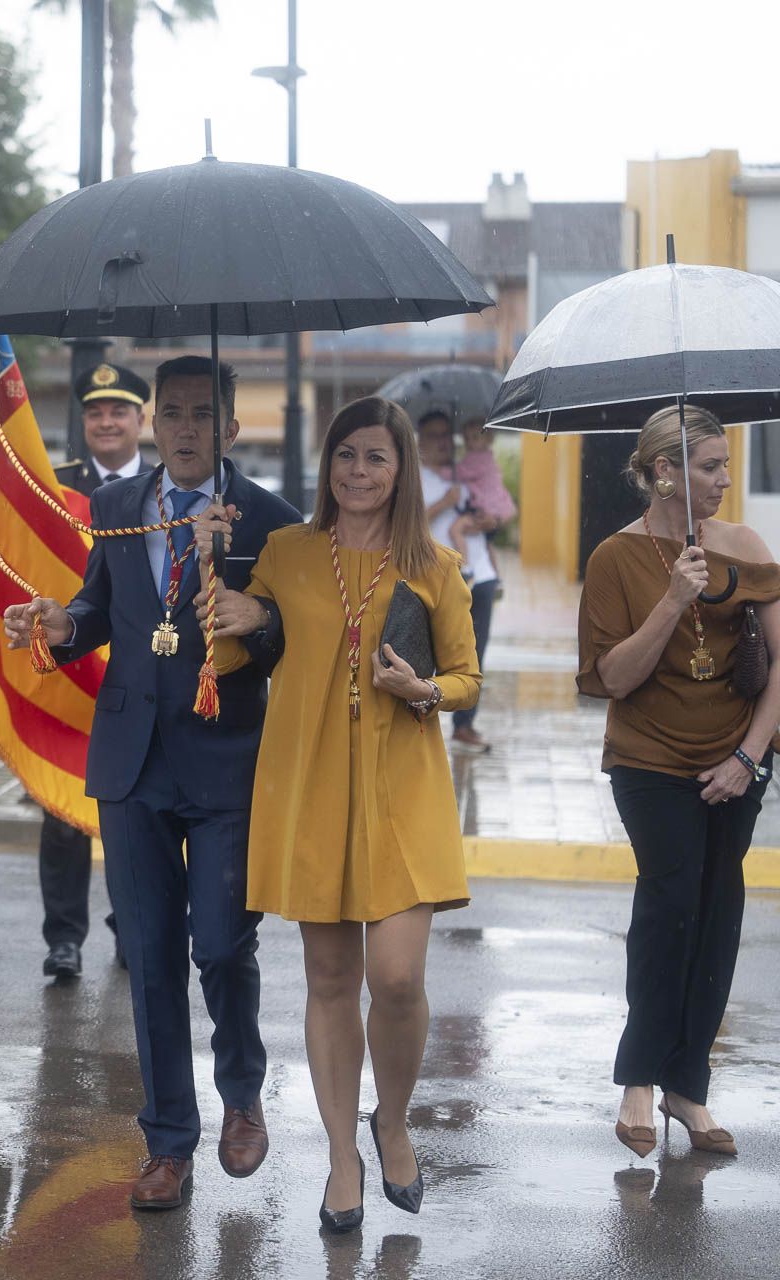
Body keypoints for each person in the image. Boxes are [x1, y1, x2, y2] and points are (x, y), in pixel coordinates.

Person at [4, 356, 299, 1211]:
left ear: (231, 428)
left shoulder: (272, 521)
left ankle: (241, 1092)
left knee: (218, 943)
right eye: (171, 413)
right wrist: (59, 625)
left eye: (203, 415)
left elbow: (295, 635)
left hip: (224, 759)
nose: (184, 429)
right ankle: (168, 1141)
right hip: (131, 759)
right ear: (151, 423)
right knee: (152, 956)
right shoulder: (117, 508)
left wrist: (261, 617)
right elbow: (100, 608)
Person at [199, 395, 480, 1232]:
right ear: (329, 466)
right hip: (309, 781)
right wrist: (222, 586)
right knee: (329, 981)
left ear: (402, 472)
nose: (359, 473)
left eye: (377, 459)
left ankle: (390, 1123)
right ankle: (339, 1155)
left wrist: (422, 688)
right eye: (346, 456)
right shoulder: (284, 552)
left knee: (397, 980)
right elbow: (225, 653)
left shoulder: (434, 566)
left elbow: (467, 677)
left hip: (404, 787)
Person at [577, 404, 779, 1161]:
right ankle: (638, 1080)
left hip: (738, 758)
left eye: (726, 466)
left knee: (719, 911)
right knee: (669, 903)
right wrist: (673, 600)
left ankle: (687, 1087)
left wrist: (749, 759)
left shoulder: (747, 547)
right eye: (707, 467)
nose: (725, 480)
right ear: (663, 472)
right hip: (649, 760)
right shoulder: (614, 559)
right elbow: (611, 678)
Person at [37, 360, 152, 979]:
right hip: (71, 665)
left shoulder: (165, 492)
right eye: (95, 412)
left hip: (136, 673)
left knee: (136, 819)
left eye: (119, 411)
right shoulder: (51, 488)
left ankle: (131, 929)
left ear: (141, 420)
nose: (106, 422)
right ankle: (63, 937)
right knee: (61, 811)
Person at [449, 417, 513, 751]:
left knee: (475, 653)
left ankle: (464, 724)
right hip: (440, 575)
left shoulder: (470, 470)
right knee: (428, 653)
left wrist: (494, 520)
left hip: (479, 577)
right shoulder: (432, 478)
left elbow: (501, 510)